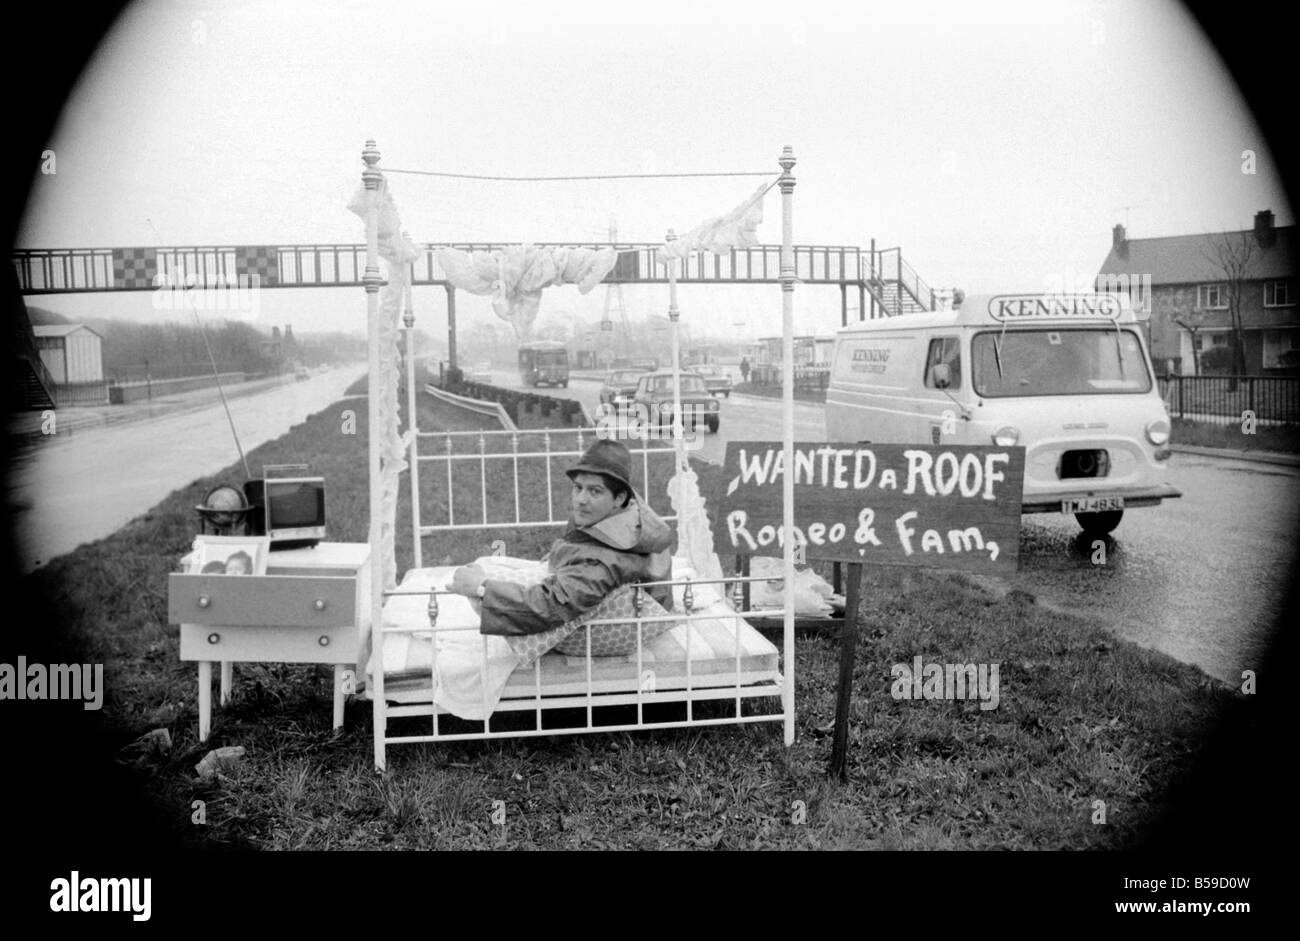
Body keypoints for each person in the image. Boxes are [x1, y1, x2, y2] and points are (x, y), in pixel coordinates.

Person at [447, 439, 673, 636]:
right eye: (578, 488)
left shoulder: (605, 558)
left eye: (595, 491)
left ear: (619, 497)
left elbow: (552, 604)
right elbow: (579, 548)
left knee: (484, 572)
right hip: (624, 599)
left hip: (617, 625)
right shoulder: (622, 517)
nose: (581, 499)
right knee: (488, 563)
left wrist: (482, 589)